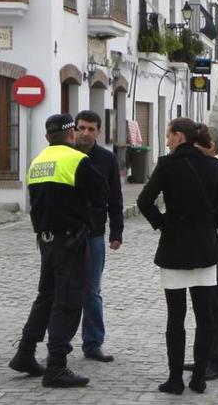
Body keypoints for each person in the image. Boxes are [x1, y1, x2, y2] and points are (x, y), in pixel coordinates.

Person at [137, 118, 218, 395]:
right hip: (206, 247)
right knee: (205, 316)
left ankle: (174, 379)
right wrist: (216, 232)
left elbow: (144, 201)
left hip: (174, 247)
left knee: (176, 317)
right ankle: (199, 380)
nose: (167, 140)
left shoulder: (167, 165)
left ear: (179, 136)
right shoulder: (215, 166)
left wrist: (162, 224)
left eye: (168, 135)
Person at [9, 113, 107, 388]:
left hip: (46, 240)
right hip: (70, 241)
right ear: (70, 134)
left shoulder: (38, 161)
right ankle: (57, 367)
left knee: (46, 297)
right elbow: (100, 193)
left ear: (47, 136)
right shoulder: (77, 160)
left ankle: (25, 353)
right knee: (67, 301)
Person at [186, 126, 218, 381]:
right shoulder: (202, 169)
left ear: (211, 147)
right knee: (202, 303)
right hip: (200, 244)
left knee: (216, 303)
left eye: (196, 146)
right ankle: (203, 356)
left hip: (216, 245)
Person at [74, 110, 123, 363]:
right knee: (61, 290)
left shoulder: (106, 159)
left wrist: (117, 231)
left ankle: (93, 343)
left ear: (98, 131)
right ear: (74, 128)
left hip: (94, 233)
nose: (85, 133)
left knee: (92, 291)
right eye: (81, 128)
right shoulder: (65, 155)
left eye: (91, 129)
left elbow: (115, 196)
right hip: (66, 234)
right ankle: (58, 341)